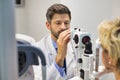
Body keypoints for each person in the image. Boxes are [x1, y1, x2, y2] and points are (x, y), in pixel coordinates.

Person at [34, 3, 77, 80]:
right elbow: (40, 78)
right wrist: (60, 57)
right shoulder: (37, 49)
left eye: (66, 23)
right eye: (58, 23)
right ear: (48, 25)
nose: (63, 27)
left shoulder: (76, 44)